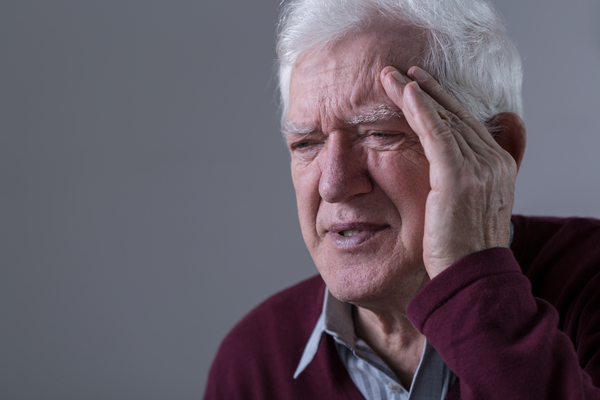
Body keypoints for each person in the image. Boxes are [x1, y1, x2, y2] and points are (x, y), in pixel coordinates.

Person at [204, 0, 600, 398]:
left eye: (380, 133)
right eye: (307, 143)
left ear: (498, 149)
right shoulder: (252, 361)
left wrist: (473, 277)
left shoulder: (588, 287)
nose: (333, 185)